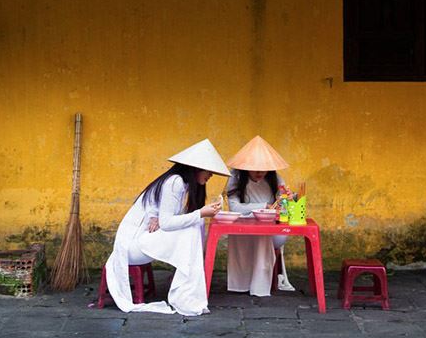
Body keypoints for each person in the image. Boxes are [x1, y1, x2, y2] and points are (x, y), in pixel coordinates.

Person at [104, 139, 230, 316]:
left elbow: (162, 216)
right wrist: (200, 213)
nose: (210, 176)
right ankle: (185, 291)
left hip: (143, 239)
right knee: (193, 227)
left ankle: (185, 282)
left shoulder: (180, 183)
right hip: (132, 247)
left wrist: (159, 216)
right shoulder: (175, 182)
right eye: (208, 171)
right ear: (196, 168)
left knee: (195, 224)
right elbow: (168, 223)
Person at [224, 135, 295, 297]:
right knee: (244, 233)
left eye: (264, 168)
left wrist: (288, 199)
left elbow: (284, 207)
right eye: (255, 168)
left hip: (271, 229)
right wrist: (263, 207)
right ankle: (241, 284)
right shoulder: (235, 178)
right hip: (242, 226)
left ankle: (260, 284)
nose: (260, 172)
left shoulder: (276, 179)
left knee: (261, 233)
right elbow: (234, 208)